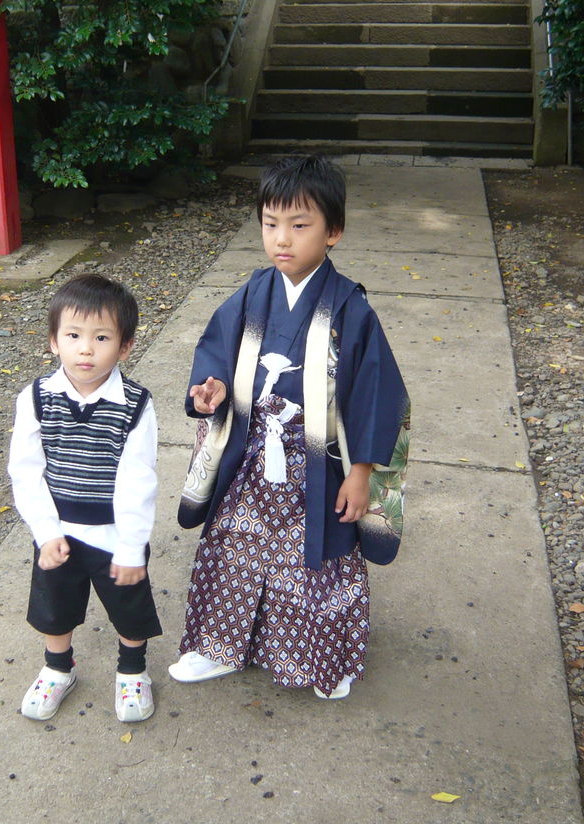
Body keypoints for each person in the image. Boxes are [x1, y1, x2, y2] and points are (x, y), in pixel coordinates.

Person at [168, 154, 410, 700]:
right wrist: (211, 389)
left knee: (316, 561)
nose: (282, 238)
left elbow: (376, 394)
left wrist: (361, 473)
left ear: (333, 232)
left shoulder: (351, 309)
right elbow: (216, 351)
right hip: (251, 454)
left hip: (319, 463)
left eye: (300, 225)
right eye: (271, 223)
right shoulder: (253, 294)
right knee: (236, 547)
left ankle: (325, 660)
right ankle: (217, 645)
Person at [7, 274, 161, 723]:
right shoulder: (36, 398)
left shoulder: (135, 404)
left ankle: (132, 669)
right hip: (58, 531)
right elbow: (26, 470)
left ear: (125, 347)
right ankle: (58, 667)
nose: (86, 349)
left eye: (102, 338)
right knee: (54, 606)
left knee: (129, 605)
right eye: (73, 336)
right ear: (54, 341)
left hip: (114, 532)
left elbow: (138, 480)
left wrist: (131, 547)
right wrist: (45, 531)